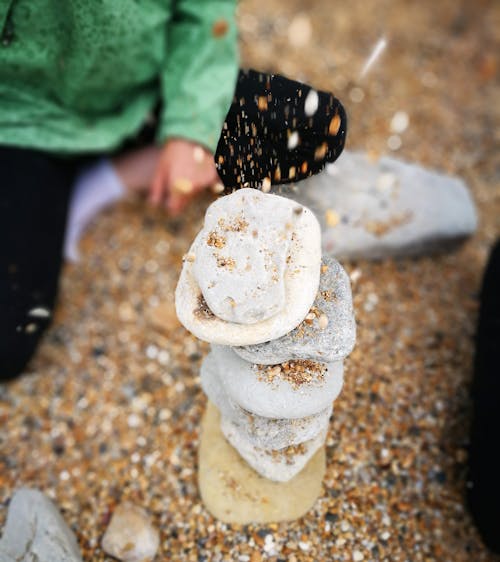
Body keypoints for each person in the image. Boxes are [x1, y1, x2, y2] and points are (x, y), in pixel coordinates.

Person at [0, 1, 347, 380]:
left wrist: (191, 127)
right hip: (22, 122)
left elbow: (204, 11)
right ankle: (58, 188)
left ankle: (113, 175)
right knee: (9, 341)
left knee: (316, 126)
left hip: (148, 90)